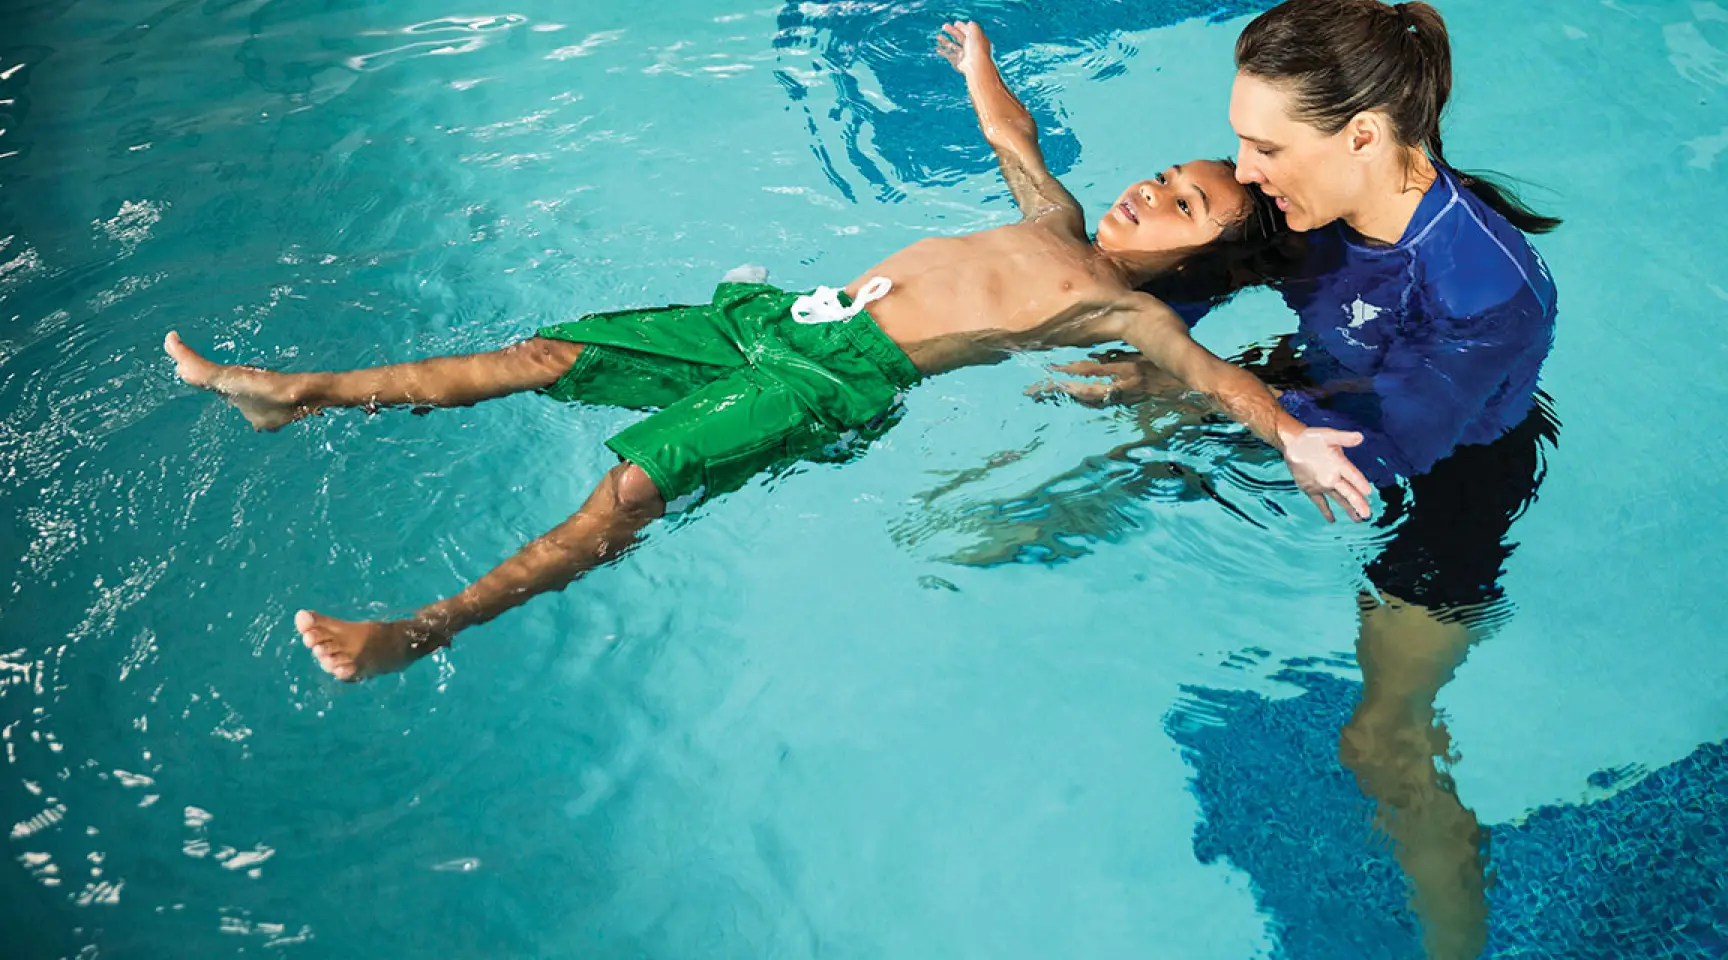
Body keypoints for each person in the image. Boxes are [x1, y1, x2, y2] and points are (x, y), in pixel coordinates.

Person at [162, 21, 1373, 683]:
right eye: (1164, 178)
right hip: (785, 318)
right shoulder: (1057, 221)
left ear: (1199, 261)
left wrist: (1292, 432)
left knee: (628, 490)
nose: (1147, 198)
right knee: (545, 354)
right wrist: (981, 66)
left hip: (833, 380)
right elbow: (1015, 144)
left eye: (1181, 210)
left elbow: (1219, 380)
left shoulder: (1127, 316)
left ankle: (416, 633)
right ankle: (296, 394)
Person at [978, 2, 1563, 957]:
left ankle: (1458, 942)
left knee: (1380, 745)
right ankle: (1013, 534)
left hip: (1451, 474)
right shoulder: (1308, 200)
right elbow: (1178, 280)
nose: (1243, 170)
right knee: (1127, 427)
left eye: (1265, 148)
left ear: (1363, 137)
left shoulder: (1482, 286)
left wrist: (1190, 393)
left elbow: (1382, 457)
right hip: (1305, 386)